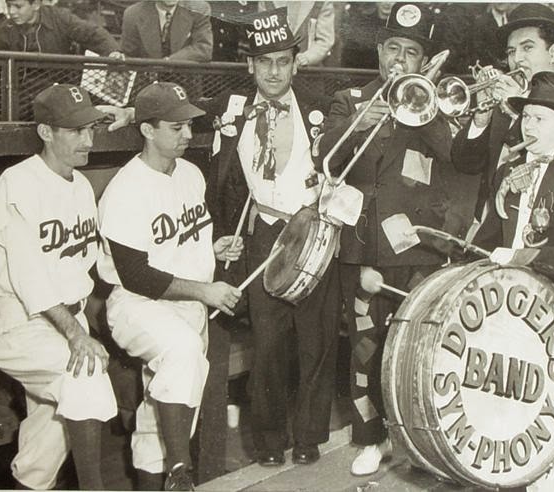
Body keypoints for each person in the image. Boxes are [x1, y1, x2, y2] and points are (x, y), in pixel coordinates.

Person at [197, 7, 341, 468]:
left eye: (283, 61)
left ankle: (308, 435)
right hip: (263, 235)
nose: (274, 71)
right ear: (250, 66)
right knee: (269, 344)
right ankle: (270, 442)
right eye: (264, 62)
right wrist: (225, 236)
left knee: (315, 342)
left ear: (297, 63)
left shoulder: (322, 107)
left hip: (313, 234)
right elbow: (221, 180)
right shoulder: (231, 112)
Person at [317, 2, 455, 477]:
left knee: (418, 348)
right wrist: (359, 123)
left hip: (419, 245)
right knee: (365, 348)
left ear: (423, 60)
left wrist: (426, 103)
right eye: (392, 47)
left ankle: (418, 442)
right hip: (363, 246)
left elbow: (456, 155)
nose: (399, 59)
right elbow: (326, 158)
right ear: (378, 49)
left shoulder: (431, 101)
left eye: (411, 52)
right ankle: (370, 439)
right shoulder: (350, 98)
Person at [96, 82, 242, 491]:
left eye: (189, 126)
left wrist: (214, 246)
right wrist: (204, 291)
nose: (187, 135)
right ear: (146, 129)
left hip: (187, 305)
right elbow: (135, 275)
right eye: (175, 127)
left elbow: (174, 243)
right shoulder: (127, 188)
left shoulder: (190, 175)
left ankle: (161, 477)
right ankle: (181, 472)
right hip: (140, 307)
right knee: (183, 353)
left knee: (158, 414)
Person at [0, 84, 117, 490]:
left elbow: (93, 259)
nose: (88, 140)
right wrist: (77, 336)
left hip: (66, 322)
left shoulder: (78, 187)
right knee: (87, 379)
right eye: (76, 131)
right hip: (23, 322)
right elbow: (28, 278)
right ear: (45, 132)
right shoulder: (17, 183)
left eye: (91, 129)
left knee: (48, 441)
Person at [451, 3, 554, 231]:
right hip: (494, 224)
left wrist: (518, 112)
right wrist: (481, 119)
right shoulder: (502, 98)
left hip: (546, 224)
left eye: (527, 48)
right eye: (511, 51)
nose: (517, 59)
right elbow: (465, 164)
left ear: (553, 53)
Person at [474, 71, 554, 306]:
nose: (528, 126)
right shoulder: (510, 169)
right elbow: (489, 238)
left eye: (539, 119)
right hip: (507, 295)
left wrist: (521, 258)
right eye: (525, 117)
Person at [0, 0, 123, 57]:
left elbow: (92, 34)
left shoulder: (60, 18)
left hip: (58, 88)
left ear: (36, 4)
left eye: (18, 6)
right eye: (9, 6)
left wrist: (113, 51)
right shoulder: (2, 31)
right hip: (20, 93)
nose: (11, 12)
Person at [121, 0, 212, 61]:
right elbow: (128, 55)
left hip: (186, 82)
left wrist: (169, 61)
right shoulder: (133, 14)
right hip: (148, 82)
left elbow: (203, 48)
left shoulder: (198, 9)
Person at [258, 1, 335, 66]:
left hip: (307, 73)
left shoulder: (321, 2)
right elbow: (261, 35)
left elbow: (325, 40)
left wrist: (308, 57)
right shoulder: (266, 1)